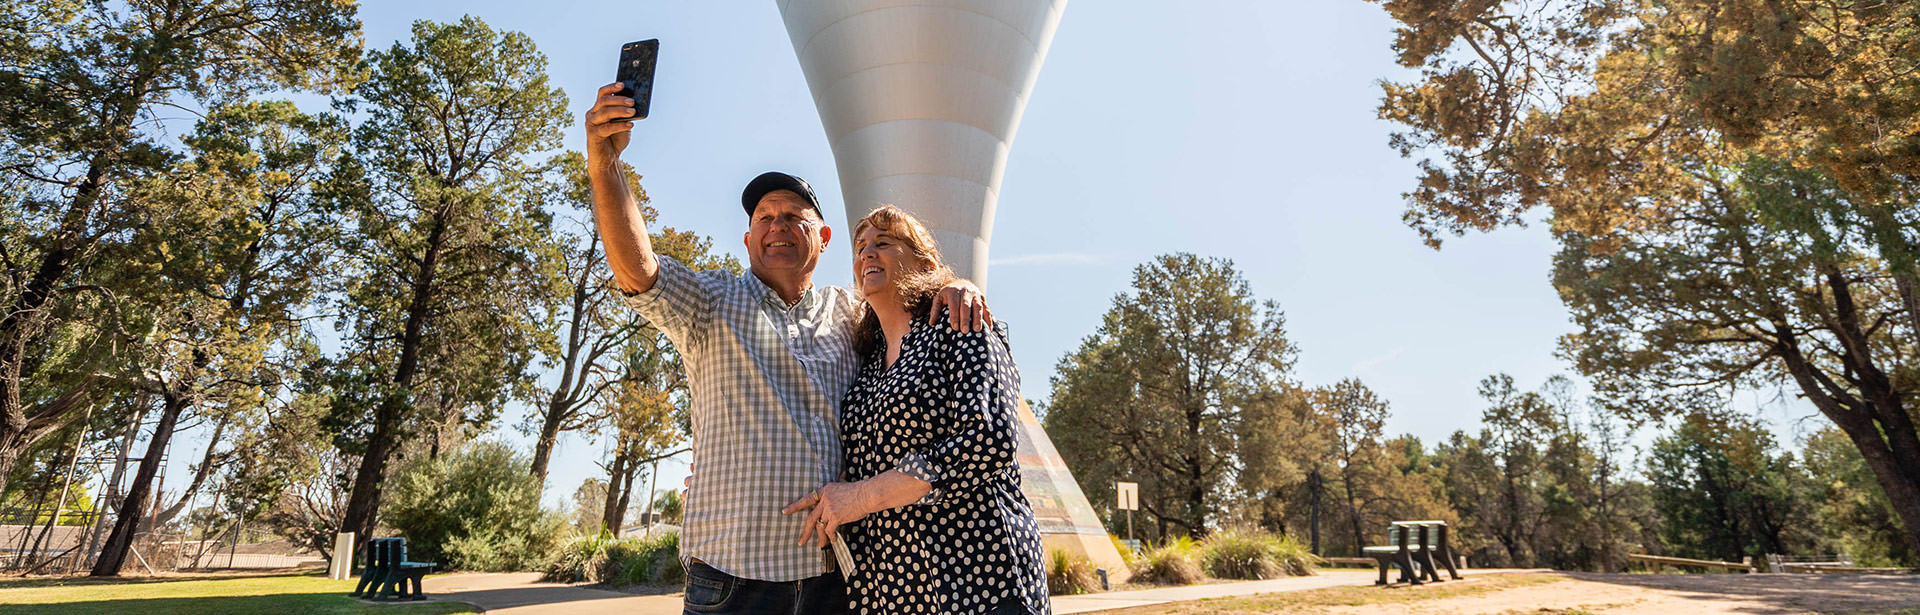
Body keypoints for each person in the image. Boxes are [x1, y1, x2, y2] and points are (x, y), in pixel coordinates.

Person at [583, 84, 992, 615]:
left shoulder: (854, 314)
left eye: (792, 217)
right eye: (763, 218)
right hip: (732, 578)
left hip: (837, 576)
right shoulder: (710, 302)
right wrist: (605, 166)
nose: (776, 226)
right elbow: (637, 270)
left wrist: (958, 286)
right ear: (748, 240)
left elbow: (905, 296)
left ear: (821, 238)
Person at [783, 206, 1048, 615]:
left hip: (977, 579)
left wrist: (859, 498)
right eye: (860, 247)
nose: (867, 253)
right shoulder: (866, 365)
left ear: (925, 264)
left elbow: (989, 441)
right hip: (893, 589)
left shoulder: (959, 326)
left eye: (884, 243)